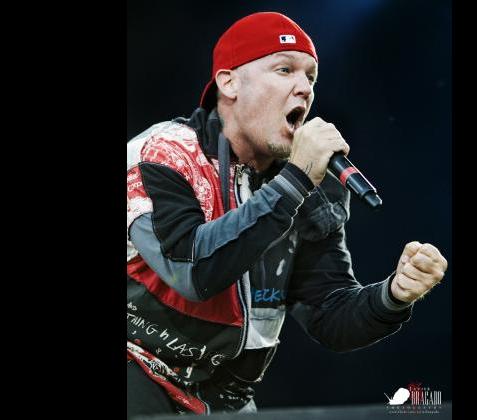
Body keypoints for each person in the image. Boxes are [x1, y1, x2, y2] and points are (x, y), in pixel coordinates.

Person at [126, 11, 448, 418]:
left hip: (224, 397)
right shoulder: (163, 155)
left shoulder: (310, 183)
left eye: (311, 77)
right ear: (229, 83)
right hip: (138, 368)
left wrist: (394, 295)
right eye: (284, 70)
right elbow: (189, 271)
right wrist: (295, 181)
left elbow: (329, 316)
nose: (304, 87)